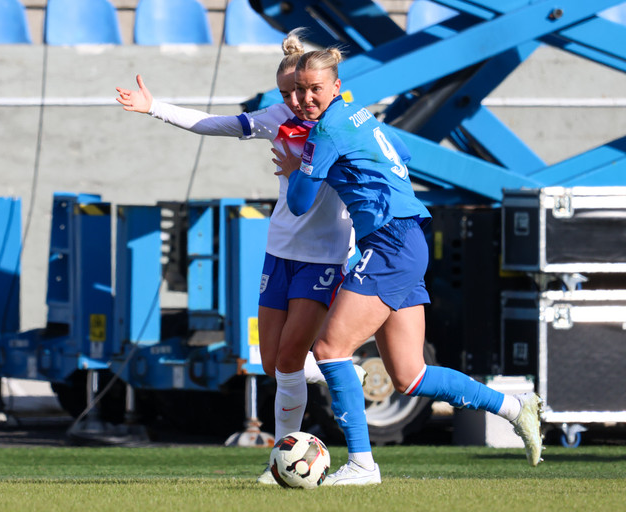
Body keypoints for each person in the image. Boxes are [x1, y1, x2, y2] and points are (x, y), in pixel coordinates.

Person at [272, 47, 544, 486]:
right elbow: (402, 153)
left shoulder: (326, 131)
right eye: (298, 90)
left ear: (335, 86)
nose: (304, 99)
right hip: (406, 237)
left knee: (330, 350)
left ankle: (362, 465)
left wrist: (296, 168)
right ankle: (515, 407)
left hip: (391, 242)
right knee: (410, 375)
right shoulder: (358, 114)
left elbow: (301, 202)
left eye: (314, 89)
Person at [115, 30, 364, 484]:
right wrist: (154, 107)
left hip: (325, 256)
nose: (296, 100)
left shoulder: (344, 123)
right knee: (272, 364)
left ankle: (280, 463)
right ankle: (339, 374)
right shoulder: (278, 117)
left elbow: (378, 167)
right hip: (279, 251)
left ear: (327, 86)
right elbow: (215, 124)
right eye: (288, 93)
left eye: (304, 90)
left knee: (288, 358)